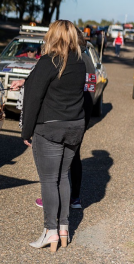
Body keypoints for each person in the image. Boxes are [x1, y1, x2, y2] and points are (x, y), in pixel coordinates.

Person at [21, 19, 86, 252]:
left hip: (50, 127)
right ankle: (64, 228)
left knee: (49, 180)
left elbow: (32, 97)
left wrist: (26, 131)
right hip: (75, 126)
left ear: (53, 36)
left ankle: (50, 231)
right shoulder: (80, 62)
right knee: (63, 176)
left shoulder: (48, 62)